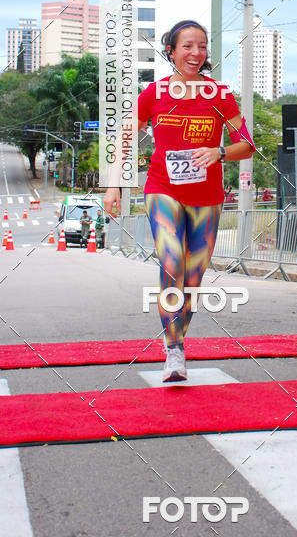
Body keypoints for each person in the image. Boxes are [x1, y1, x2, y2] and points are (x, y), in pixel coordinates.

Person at [104, 20, 254, 382]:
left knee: (194, 276)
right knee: (172, 264)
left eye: (202, 46)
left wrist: (218, 152)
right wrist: (114, 186)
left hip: (207, 197)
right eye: (187, 46)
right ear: (170, 50)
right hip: (163, 190)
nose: (196, 53)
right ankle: (174, 350)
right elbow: (125, 136)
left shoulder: (219, 94)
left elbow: (246, 144)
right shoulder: (154, 94)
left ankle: (176, 336)